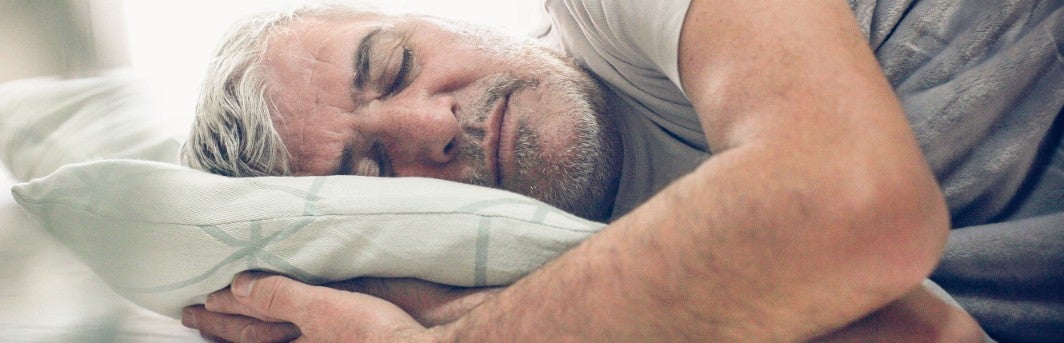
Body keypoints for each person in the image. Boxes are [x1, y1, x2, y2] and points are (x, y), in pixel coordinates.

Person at [178, 0, 1063, 341]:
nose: (430, 124)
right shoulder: (582, 302)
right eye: (375, 174)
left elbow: (851, 203)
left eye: (393, 63)